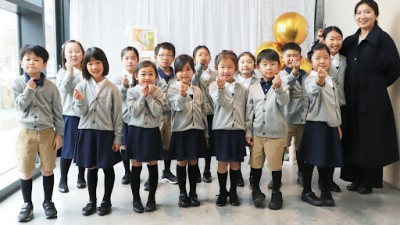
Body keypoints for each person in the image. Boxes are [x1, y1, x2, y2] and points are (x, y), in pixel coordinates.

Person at [339, 0, 400, 194]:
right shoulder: (349, 41)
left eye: (367, 12)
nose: (362, 16)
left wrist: (376, 85)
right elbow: (332, 57)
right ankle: (354, 178)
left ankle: (368, 181)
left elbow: (394, 68)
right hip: (350, 94)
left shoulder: (383, 39)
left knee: (370, 137)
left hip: (373, 96)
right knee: (352, 134)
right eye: (359, 12)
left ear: (376, 15)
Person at [12, 44, 63, 222]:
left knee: (48, 169)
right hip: (26, 134)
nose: (31, 63)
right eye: (27, 59)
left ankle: (48, 202)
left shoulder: (51, 87)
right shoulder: (17, 83)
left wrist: (59, 134)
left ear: (44, 64)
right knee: (25, 170)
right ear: (21, 62)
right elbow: (19, 105)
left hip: (47, 132)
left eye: (36, 60)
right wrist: (29, 89)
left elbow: (58, 113)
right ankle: (27, 204)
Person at [73, 47, 123, 216]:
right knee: (91, 167)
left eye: (98, 62)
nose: (94, 67)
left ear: (104, 64)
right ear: (85, 66)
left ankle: (106, 200)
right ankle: (92, 201)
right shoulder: (81, 85)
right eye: (90, 63)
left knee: (107, 167)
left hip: (105, 133)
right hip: (87, 133)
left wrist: (117, 138)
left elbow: (117, 116)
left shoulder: (113, 89)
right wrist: (80, 102)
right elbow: (79, 113)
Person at [298, 43, 343, 207]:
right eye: (317, 58)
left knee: (328, 160)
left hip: (331, 125)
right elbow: (313, 90)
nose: (322, 61)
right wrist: (320, 79)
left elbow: (335, 104)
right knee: (311, 159)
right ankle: (307, 191)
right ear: (310, 61)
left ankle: (325, 191)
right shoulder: (311, 78)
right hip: (316, 125)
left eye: (326, 58)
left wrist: (338, 125)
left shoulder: (331, 79)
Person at [246, 49, 289, 210]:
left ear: (278, 66)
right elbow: (249, 112)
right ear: (258, 67)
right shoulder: (254, 87)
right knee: (255, 164)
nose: (269, 68)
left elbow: (285, 102)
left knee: (275, 166)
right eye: (265, 64)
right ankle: (256, 191)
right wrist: (248, 132)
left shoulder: (282, 84)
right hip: (257, 134)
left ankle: (277, 193)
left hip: (275, 134)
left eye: (272, 64)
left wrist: (278, 88)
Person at [167, 54, 208, 207]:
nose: (184, 73)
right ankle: (182, 193)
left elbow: (202, 110)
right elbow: (175, 107)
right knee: (181, 161)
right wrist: (182, 94)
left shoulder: (197, 90)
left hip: (196, 130)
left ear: (193, 71)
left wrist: (205, 132)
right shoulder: (172, 89)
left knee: (193, 162)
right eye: (180, 70)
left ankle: (193, 192)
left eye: (188, 69)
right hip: (180, 130)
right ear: (175, 72)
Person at [126, 60, 164, 213]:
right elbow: (133, 112)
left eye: (150, 74)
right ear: (136, 75)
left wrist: (149, 97)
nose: (147, 77)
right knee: (136, 166)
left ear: (155, 76)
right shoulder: (132, 92)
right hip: (136, 132)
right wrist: (142, 96)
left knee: (152, 165)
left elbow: (157, 112)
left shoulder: (159, 91)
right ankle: (136, 199)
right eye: (143, 74)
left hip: (152, 131)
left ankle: (151, 198)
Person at [209, 50, 247, 207]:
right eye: (222, 67)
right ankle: (222, 192)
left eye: (230, 67)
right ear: (216, 68)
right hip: (221, 130)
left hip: (238, 129)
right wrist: (220, 88)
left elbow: (245, 109)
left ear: (236, 68)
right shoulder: (213, 86)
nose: (226, 70)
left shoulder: (241, 88)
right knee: (223, 161)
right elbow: (220, 102)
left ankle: (233, 192)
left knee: (236, 162)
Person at [317, 26, 347, 193]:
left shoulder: (345, 59)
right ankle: (323, 180)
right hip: (325, 108)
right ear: (324, 41)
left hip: (342, 106)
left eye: (339, 39)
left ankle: (329, 179)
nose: (335, 42)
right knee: (325, 146)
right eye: (331, 39)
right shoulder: (321, 60)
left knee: (336, 146)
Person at [56, 40, 86, 193]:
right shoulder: (62, 72)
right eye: (70, 51)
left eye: (77, 51)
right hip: (69, 116)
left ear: (83, 54)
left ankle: (81, 176)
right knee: (67, 150)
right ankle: (63, 179)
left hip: (85, 116)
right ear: (64, 54)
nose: (73, 54)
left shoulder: (87, 71)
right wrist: (69, 72)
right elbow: (65, 90)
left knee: (83, 148)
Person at [146, 42, 178, 188]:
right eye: (162, 55)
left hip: (172, 115)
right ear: (155, 57)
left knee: (168, 144)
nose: (165, 58)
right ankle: (150, 176)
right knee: (152, 144)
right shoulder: (150, 74)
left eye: (168, 55)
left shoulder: (177, 75)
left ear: (173, 57)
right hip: (155, 115)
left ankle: (167, 171)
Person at [277, 42, 309, 188]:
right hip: (287, 119)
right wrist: (294, 73)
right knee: (283, 148)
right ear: (283, 58)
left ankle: (301, 173)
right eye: (288, 56)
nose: (292, 58)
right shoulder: (281, 76)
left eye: (295, 55)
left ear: (300, 57)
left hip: (304, 118)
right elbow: (285, 91)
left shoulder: (306, 75)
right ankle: (277, 175)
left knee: (301, 148)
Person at [108, 46, 139, 185]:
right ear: (122, 60)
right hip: (123, 116)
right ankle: (127, 172)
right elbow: (116, 97)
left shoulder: (142, 75)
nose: (130, 61)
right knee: (124, 145)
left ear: (137, 60)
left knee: (138, 144)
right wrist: (124, 86)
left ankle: (137, 170)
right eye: (127, 58)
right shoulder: (116, 77)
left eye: (133, 58)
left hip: (138, 116)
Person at [191, 45, 217, 184]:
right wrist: (199, 68)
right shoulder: (193, 73)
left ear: (210, 58)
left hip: (212, 114)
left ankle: (207, 170)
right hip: (197, 114)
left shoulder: (215, 74)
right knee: (196, 142)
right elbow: (193, 82)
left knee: (209, 144)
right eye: (200, 54)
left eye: (206, 54)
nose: (203, 57)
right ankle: (195, 170)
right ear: (194, 58)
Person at [235, 52, 259, 187]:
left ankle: (253, 176)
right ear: (238, 65)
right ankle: (237, 175)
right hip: (236, 119)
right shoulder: (233, 80)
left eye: (249, 62)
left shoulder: (258, 81)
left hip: (253, 120)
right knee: (238, 150)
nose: (246, 65)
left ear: (254, 65)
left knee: (254, 150)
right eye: (242, 62)